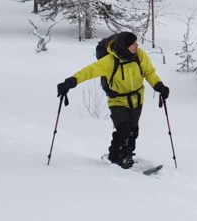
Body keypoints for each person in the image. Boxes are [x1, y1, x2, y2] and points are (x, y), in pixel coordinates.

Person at [55, 31, 170, 169]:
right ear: (124, 46)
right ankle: (114, 157)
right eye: (133, 43)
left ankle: (127, 154)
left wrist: (159, 86)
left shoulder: (140, 55)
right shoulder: (110, 61)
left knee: (133, 130)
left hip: (137, 99)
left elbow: (149, 72)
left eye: (136, 42)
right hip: (117, 100)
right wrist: (69, 82)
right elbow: (88, 72)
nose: (137, 45)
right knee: (123, 129)